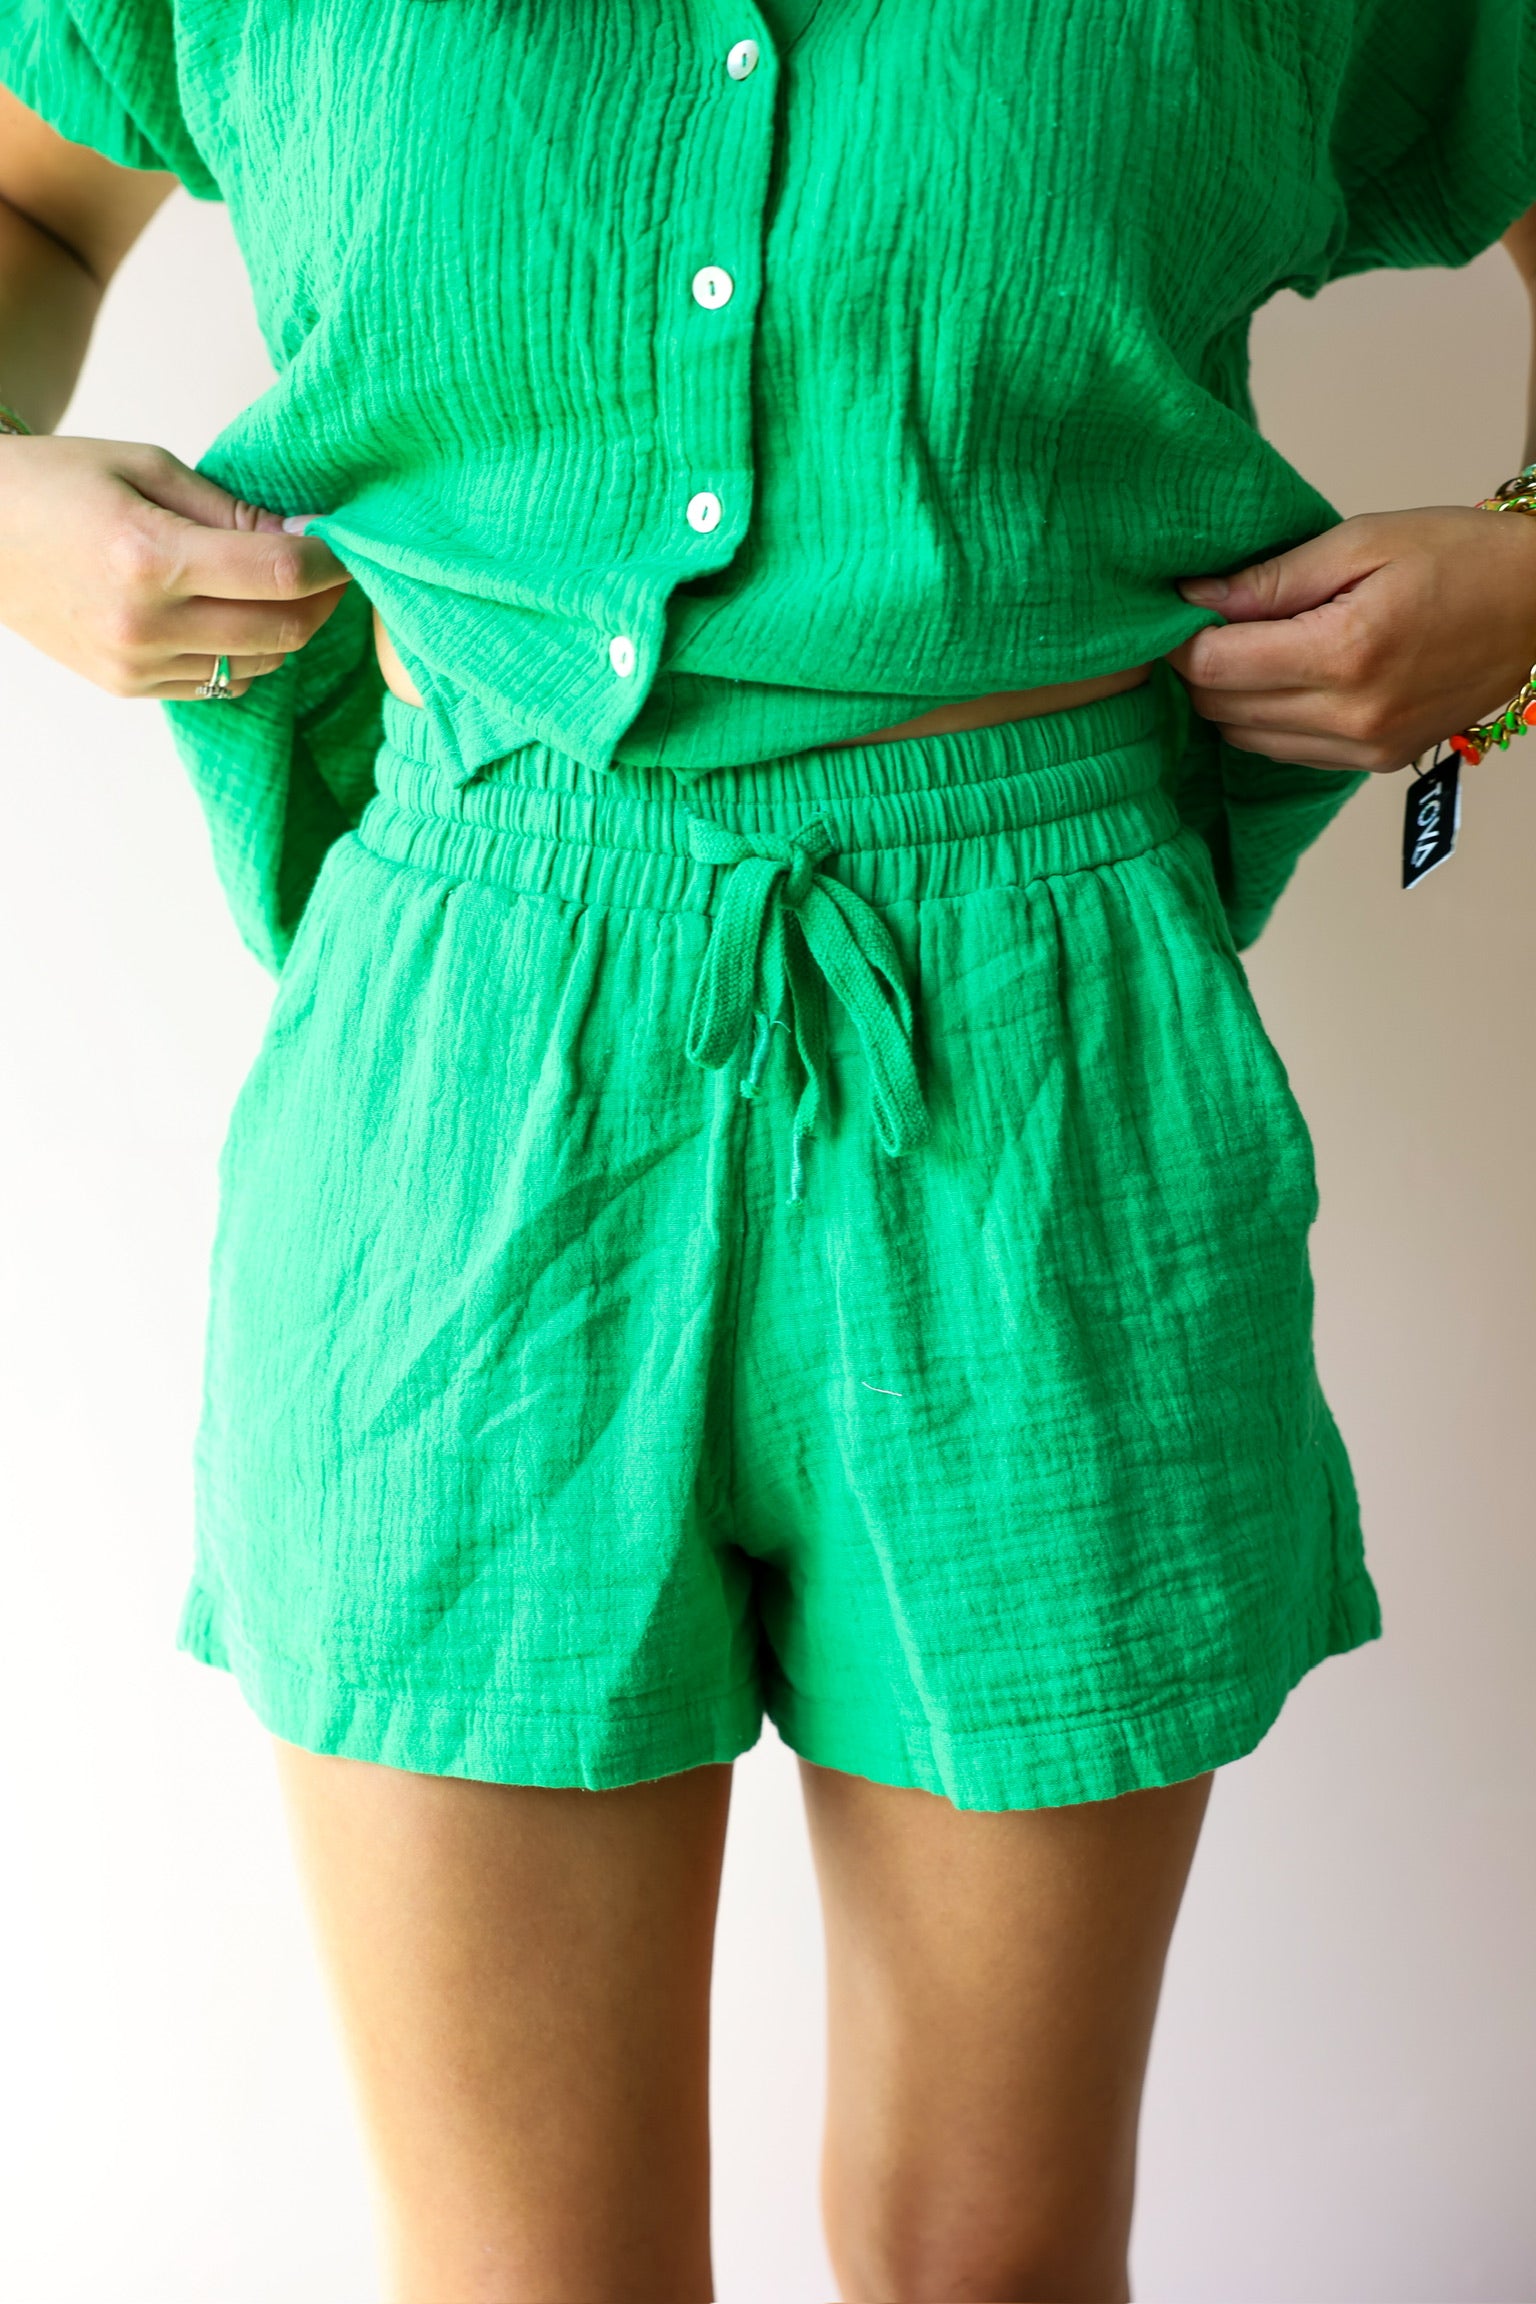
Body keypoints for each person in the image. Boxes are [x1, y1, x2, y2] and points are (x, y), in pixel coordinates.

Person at [2, 6, 1533, 2298]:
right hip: (462, 1083)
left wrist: (1532, 586)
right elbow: (31, 206)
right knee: (523, 2274)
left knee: (990, 2263)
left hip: (1050, 1097)